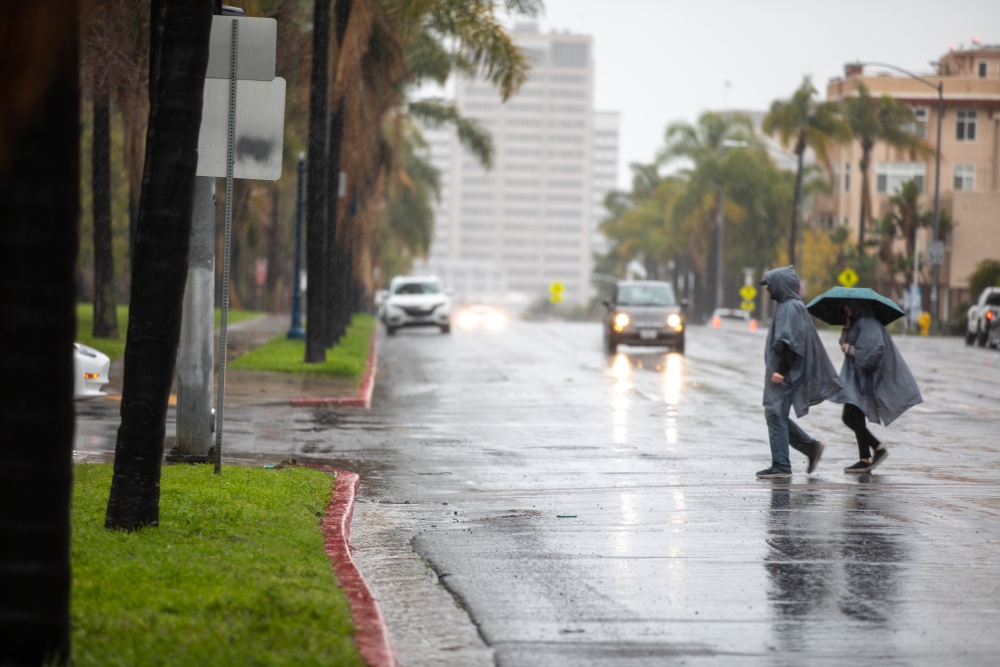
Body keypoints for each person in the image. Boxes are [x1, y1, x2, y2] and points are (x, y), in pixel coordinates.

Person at [757, 266, 842, 479]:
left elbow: (790, 343)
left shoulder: (789, 308)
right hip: (785, 372)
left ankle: (782, 466)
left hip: (785, 374)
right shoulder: (790, 306)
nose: (768, 291)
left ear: (781, 285)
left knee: (775, 414)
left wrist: (781, 370)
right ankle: (810, 448)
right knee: (775, 414)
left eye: (770, 286)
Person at [835, 301, 922, 472]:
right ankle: (865, 459)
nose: (844, 308)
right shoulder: (856, 322)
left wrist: (850, 351)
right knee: (856, 417)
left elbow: (873, 354)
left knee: (849, 417)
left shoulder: (869, 324)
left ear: (857, 305)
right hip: (855, 379)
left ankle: (878, 448)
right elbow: (843, 342)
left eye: (847, 305)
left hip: (866, 380)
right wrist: (846, 326)